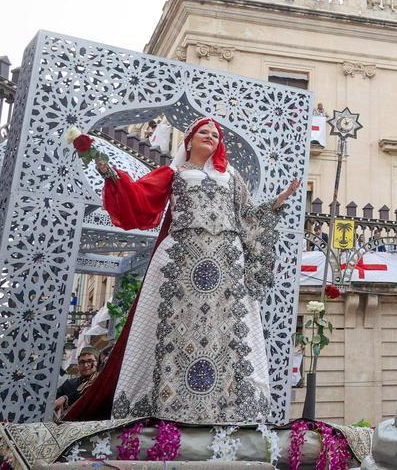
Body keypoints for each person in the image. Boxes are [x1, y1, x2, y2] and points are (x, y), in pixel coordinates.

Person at [63, 117, 299, 421]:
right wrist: (108, 171)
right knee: (172, 329)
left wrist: (276, 203)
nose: (211, 137)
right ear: (189, 139)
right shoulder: (174, 172)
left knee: (225, 333)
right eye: (204, 132)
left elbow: (248, 216)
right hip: (180, 261)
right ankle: (163, 407)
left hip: (226, 263)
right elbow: (139, 197)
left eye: (215, 134)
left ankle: (226, 407)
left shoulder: (232, 177)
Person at [54, 348, 100, 419]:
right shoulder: (69, 384)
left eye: (90, 361)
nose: (86, 365)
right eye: (82, 362)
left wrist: (65, 398)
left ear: (97, 363)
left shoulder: (101, 383)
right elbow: (53, 401)